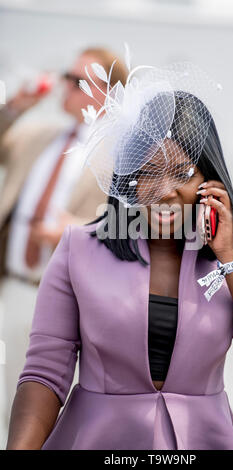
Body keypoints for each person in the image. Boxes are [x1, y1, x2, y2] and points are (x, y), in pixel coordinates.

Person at [5, 60, 233, 450]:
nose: (163, 190)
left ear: (209, 180)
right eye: (147, 171)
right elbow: (44, 374)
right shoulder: (79, 248)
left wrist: (229, 256)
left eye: (181, 173)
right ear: (129, 177)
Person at [0, 46, 128, 446]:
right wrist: (15, 106)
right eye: (65, 76)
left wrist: (81, 230)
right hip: (12, 287)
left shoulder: (126, 151)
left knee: (41, 418)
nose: (64, 86)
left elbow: (148, 219)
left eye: (77, 81)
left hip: (64, 303)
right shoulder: (42, 135)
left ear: (106, 92)